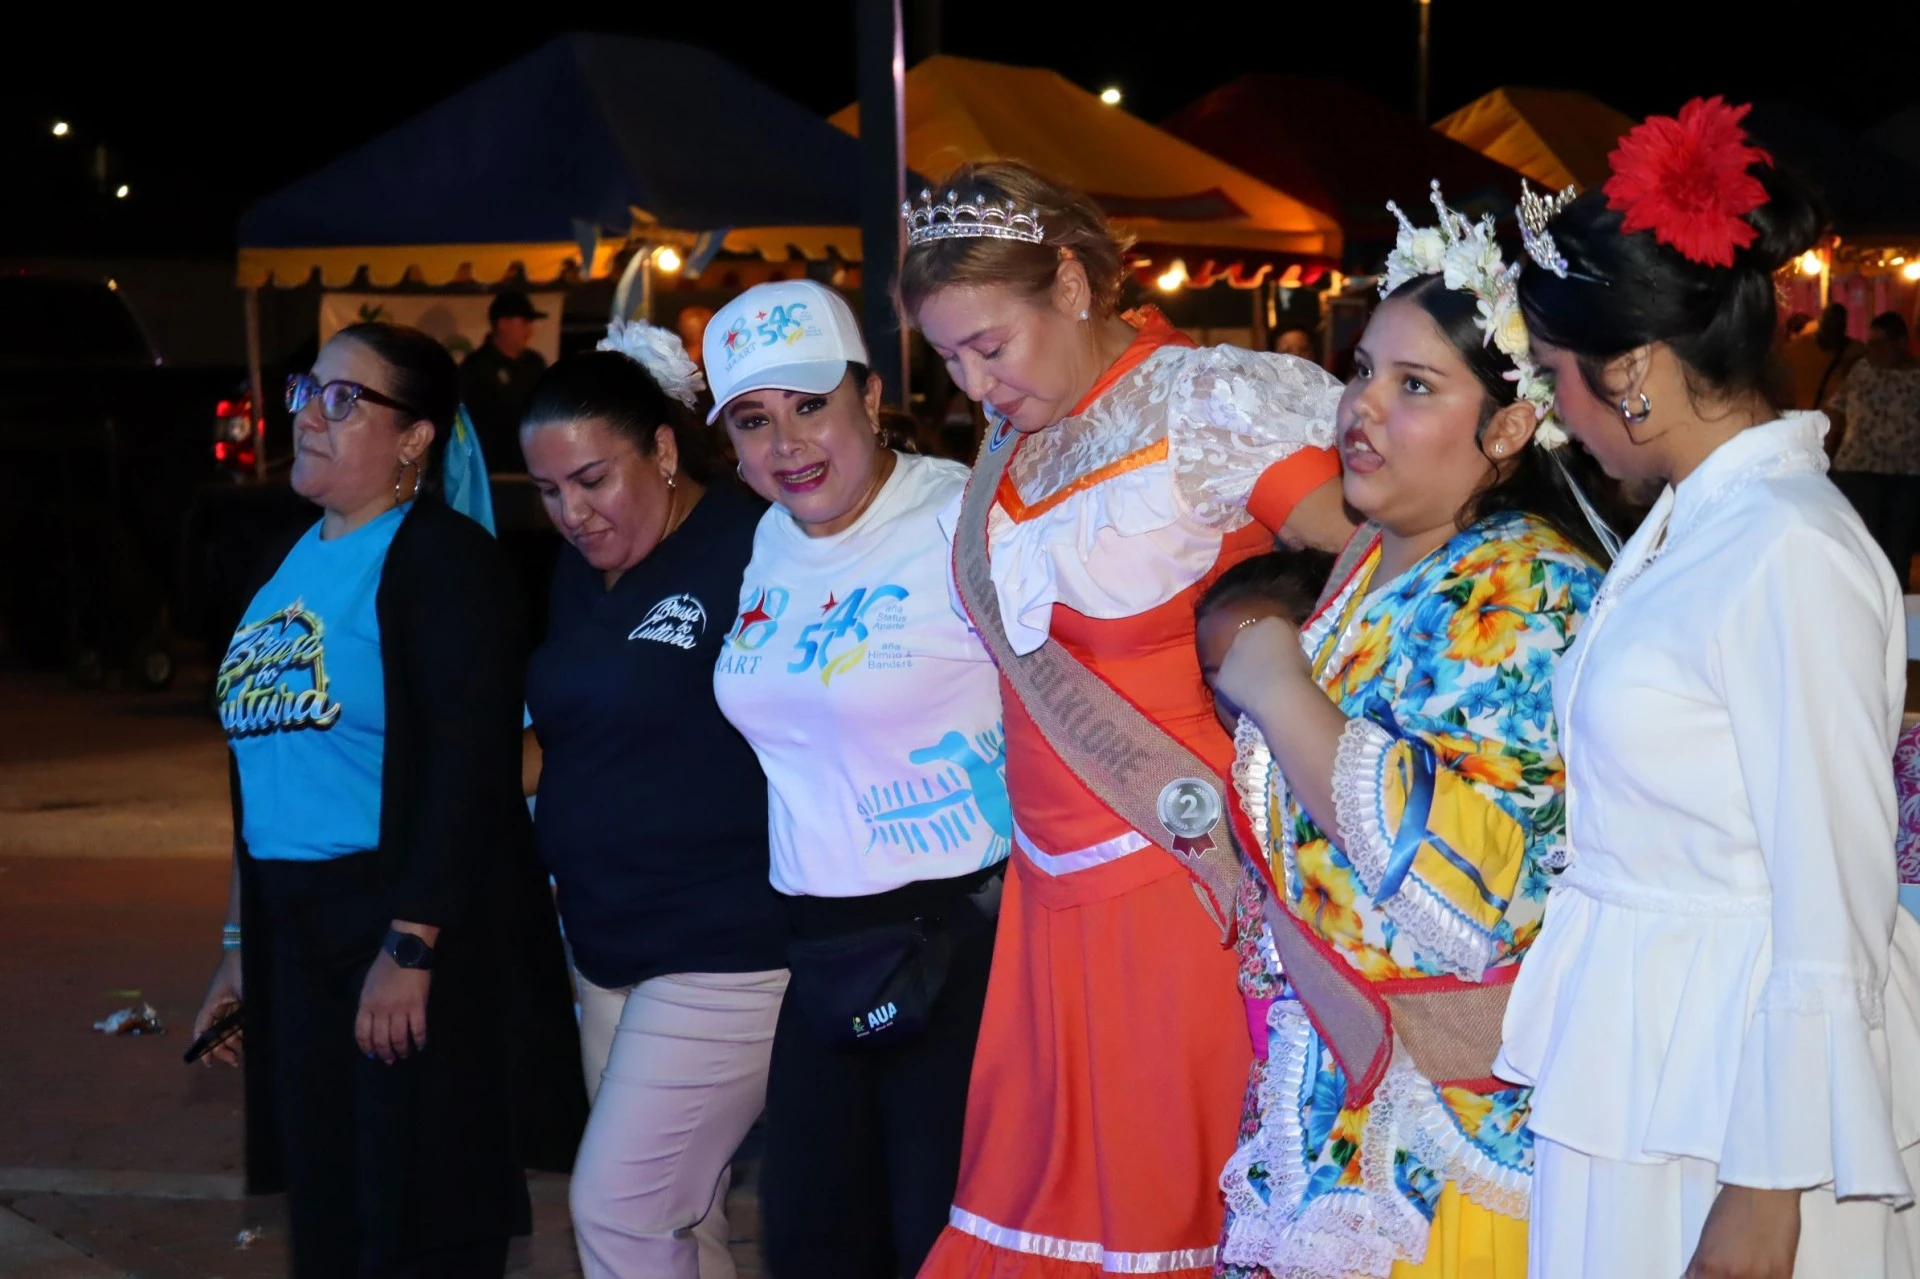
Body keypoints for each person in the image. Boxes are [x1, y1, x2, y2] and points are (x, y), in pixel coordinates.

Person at [902, 159, 1357, 1279]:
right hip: (1046, 899)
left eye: (989, 347)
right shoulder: (1013, 442)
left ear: (1069, 281)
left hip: (1185, 890)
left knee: (1168, 1222)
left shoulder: (1209, 401)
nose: (973, 384)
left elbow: (1390, 575)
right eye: (949, 357)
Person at [1501, 96, 1920, 1278]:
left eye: (1554, 375)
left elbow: (1833, 880)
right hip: (1649, 1048)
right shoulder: (1695, 522)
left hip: (1738, 1091)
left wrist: (1766, 1190)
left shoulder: (1788, 545)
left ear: (1630, 368)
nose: (1552, 411)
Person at [1204, 185, 1613, 1279]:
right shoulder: (1375, 560)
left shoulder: (1528, 585)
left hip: (1448, 1129)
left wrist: (1277, 683)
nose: (1362, 408)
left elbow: (1469, 893)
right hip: (1338, 1088)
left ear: (1514, 423)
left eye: (1415, 384)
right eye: (1362, 372)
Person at [193, 322, 586, 1277]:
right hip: (294, 934)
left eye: (344, 400)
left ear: (415, 437)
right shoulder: (285, 566)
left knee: (415, 1213)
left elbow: (468, 772)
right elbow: (263, 777)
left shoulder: (441, 562)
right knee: (329, 1214)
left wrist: (411, 943)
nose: (311, 418)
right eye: (308, 393)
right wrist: (240, 951)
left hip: (399, 927)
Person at [706, 279, 1010, 1277]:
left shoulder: (963, 518)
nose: (786, 444)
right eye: (754, 420)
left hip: (960, 945)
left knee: (941, 1241)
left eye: (809, 405)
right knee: (811, 1241)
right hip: (822, 948)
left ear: (869, 396)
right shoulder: (767, 539)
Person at [518, 321, 787, 1279]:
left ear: (665, 449)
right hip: (606, 947)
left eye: (593, 480)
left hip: (727, 944)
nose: (573, 512)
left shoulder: (752, 545)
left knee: (619, 1207)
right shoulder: (578, 573)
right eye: (549, 492)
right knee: (681, 1216)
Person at [1829, 311, 1920, 590]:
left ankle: (1896, 605)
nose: (1872, 350)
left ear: (1900, 342)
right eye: (1870, 343)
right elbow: (1837, 408)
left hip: (1905, 475)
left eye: (1879, 343)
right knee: (1865, 546)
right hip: (1858, 471)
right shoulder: (1861, 370)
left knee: (1898, 548)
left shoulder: (1917, 377)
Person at [461, 291, 550, 473]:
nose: (529, 331)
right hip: (492, 472)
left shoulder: (534, 363)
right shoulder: (476, 367)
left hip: (531, 469)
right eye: (524, 323)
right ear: (503, 324)